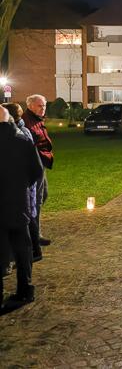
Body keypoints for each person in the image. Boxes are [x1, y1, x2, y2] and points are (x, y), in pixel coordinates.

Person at [0, 106, 44, 307]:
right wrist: (22, 186)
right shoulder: (23, 141)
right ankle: (25, 289)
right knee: (22, 249)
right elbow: (36, 170)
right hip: (19, 203)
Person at [2, 104, 40, 263]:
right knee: (22, 241)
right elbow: (36, 169)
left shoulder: (22, 137)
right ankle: (25, 285)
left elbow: (35, 169)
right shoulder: (23, 139)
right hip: (20, 199)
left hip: (15, 199)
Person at [21, 94, 53, 252]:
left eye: (45, 105)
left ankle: (33, 230)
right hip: (35, 165)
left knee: (43, 195)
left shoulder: (37, 119)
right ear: (31, 105)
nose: (43, 109)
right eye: (40, 106)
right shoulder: (27, 120)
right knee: (36, 199)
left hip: (42, 163)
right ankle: (34, 234)